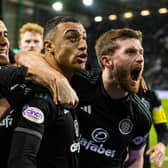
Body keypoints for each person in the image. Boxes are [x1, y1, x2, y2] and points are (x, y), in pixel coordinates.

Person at [3, 28, 152, 168]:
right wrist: (58, 79)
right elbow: (24, 56)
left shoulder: (141, 115)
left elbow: (135, 158)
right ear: (107, 61)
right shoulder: (77, 81)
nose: (140, 58)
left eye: (141, 53)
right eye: (130, 52)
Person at [7, 16, 87, 168]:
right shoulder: (40, 97)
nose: (83, 45)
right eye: (72, 38)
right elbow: (20, 161)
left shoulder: (78, 81)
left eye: (84, 38)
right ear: (49, 47)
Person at [138, 77, 168, 168]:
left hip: (142, 160)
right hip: (113, 158)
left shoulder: (150, 96)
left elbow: (162, 128)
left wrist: (162, 144)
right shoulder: (110, 93)